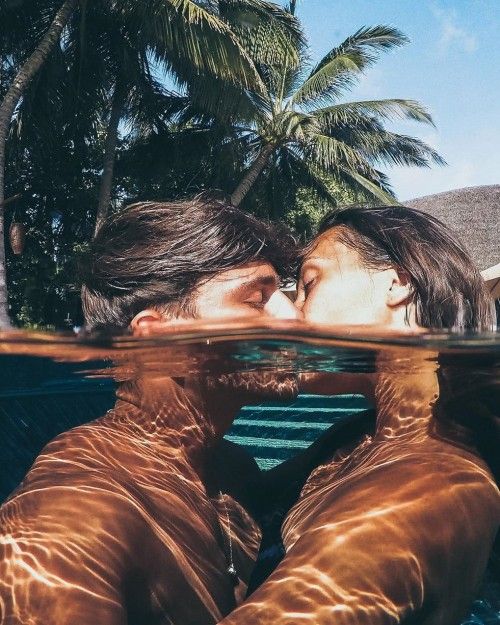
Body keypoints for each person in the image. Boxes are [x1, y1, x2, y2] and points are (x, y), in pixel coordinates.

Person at [0, 197, 371, 625]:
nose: (293, 318)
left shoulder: (228, 467)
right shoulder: (69, 520)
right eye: (257, 300)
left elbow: (352, 461)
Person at [218, 205, 500, 625]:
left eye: (309, 285)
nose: (290, 316)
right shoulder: (360, 437)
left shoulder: (428, 484)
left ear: (398, 283)